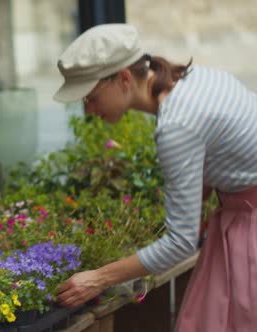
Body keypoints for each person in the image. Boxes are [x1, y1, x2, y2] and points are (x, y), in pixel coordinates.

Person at [51, 23, 257, 331]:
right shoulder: (194, 79)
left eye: (90, 97)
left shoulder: (176, 125)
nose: (89, 110)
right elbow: (225, 151)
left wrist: (97, 278)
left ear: (122, 79)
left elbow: (181, 242)